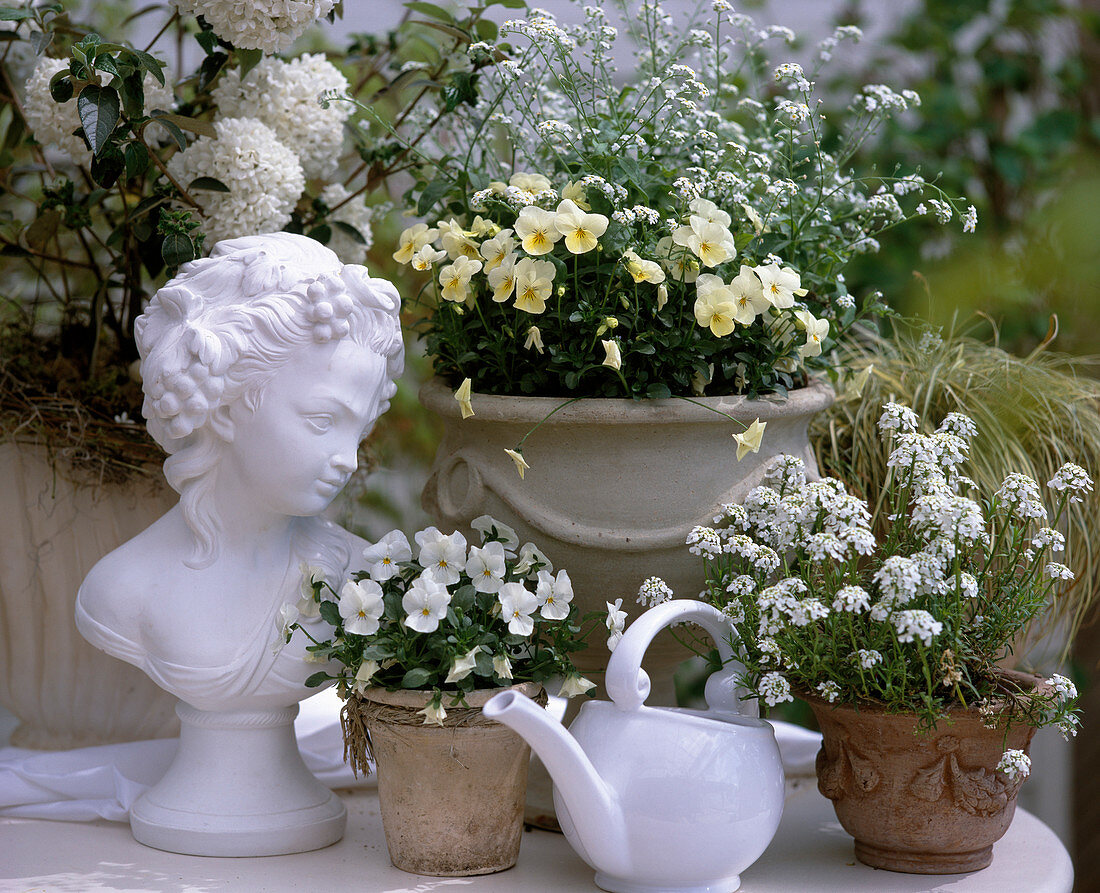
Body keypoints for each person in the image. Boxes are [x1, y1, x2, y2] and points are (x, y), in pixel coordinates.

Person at [76, 232, 404, 713]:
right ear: (225, 409)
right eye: (321, 421)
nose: (348, 459)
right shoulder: (122, 590)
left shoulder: (363, 574)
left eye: (359, 430)